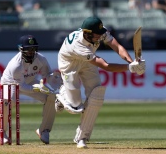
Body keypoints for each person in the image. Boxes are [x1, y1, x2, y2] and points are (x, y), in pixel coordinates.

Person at [56, 16, 145, 148]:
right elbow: (105, 66)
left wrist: (131, 62)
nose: (101, 37)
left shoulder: (99, 32)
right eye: (98, 35)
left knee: (96, 95)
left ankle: (82, 138)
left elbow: (117, 47)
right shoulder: (78, 45)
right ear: (87, 33)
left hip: (88, 63)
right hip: (70, 64)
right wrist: (129, 68)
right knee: (75, 107)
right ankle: (62, 94)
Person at [0, 35, 62, 144]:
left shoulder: (41, 59)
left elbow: (47, 74)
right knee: (8, 101)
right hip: (10, 83)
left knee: (51, 97)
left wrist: (57, 81)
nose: (31, 52)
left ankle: (44, 130)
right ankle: (0, 131)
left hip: (29, 81)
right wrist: (37, 88)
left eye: (33, 49)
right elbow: (21, 86)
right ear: (21, 49)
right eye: (28, 49)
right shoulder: (16, 65)